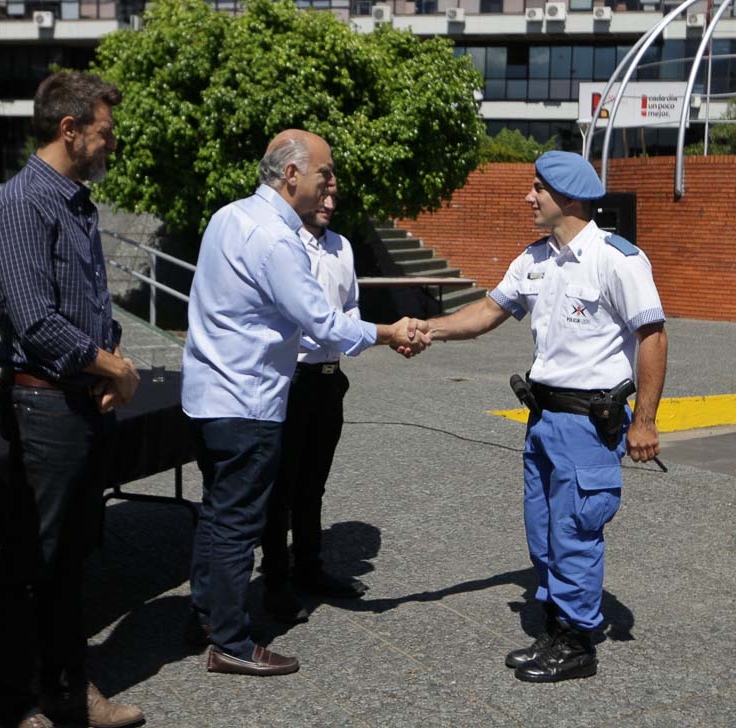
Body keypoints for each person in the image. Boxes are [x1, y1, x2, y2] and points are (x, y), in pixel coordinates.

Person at [182, 129, 430, 677]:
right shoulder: (277, 238)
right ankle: (230, 642)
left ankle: (205, 614)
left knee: (217, 512)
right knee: (236, 523)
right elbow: (321, 321)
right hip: (248, 399)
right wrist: (392, 332)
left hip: (208, 395)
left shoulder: (228, 216)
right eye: (325, 172)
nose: (330, 184)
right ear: (291, 174)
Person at [413, 151, 667, 683]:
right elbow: (487, 312)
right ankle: (554, 628)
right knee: (544, 531)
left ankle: (577, 644)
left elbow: (653, 335)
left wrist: (644, 420)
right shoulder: (534, 259)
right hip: (543, 420)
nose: (529, 197)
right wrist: (427, 329)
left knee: (576, 528)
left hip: (587, 423)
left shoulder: (616, 259)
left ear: (568, 198)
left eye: (538, 189)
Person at [0, 71, 144, 728]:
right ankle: (23, 699)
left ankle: (64, 687)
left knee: (67, 557)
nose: (111, 144)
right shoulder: (24, 204)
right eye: (104, 132)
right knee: (34, 560)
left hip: (77, 400)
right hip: (43, 406)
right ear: (68, 128)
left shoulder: (73, 200)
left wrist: (106, 368)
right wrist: (118, 370)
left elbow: (90, 309)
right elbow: (35, 320)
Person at [260, 189, 367, 624]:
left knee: (313, 484)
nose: (328, 202)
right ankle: (275, 581)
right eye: (321, 193)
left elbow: (352, 305)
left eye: (334, 196)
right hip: (295, 379)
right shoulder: (285, 246)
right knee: (281, 488)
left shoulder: (342, 247)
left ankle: (310, 567)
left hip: (329, 379)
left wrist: (357, 335)